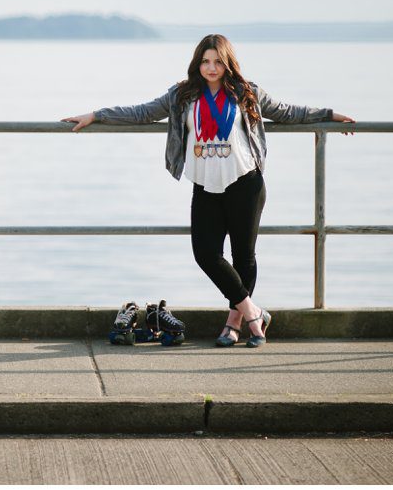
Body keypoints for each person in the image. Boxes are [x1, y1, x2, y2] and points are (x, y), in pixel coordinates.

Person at [61, 34, 355, 348]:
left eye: (217, 61)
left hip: (246, 183)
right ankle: (255, 313)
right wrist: (96, 115)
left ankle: (234, 324)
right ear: (197, 63)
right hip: (205, 186)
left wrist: (329, 115)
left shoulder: (247, 93)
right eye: (205, 61)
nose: (211, 68)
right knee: (205, 253)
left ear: (227, 63)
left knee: (244, 256)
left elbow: (287, 112)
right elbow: (141, 112)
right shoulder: (182, 95)